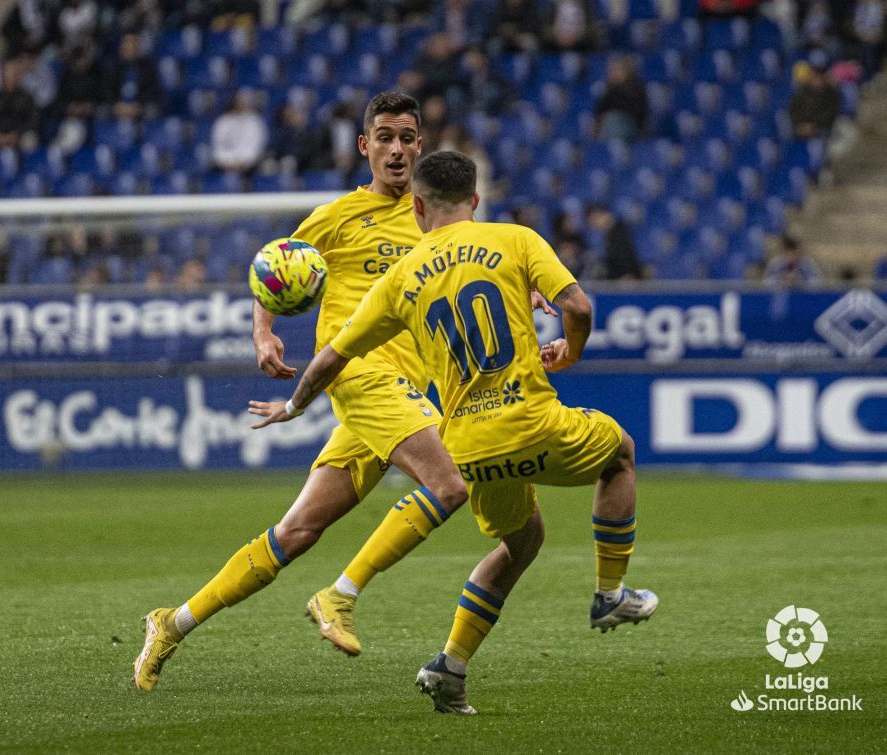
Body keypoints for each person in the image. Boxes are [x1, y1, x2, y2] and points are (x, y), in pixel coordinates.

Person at [249, 150, 657, 714]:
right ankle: (610, 594)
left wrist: (294, 407)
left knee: (521, 541)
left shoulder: (400, 277)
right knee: (621, 454)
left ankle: (450, 667)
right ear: (476, 200)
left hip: (469, 449)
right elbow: (578, 306)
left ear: (417, 206)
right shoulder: (515, 239)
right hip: (533, 422)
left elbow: (330, 359)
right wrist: (570, 351)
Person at [134, 92, 493, 691]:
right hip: (359, 377)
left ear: (421, 147)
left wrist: (527, 290)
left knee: (296, 533)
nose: (396, 149)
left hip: (405, 392)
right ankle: (340, 595)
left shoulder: (435, 217)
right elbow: (271, 268)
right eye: (385, 138)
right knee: (449, 484)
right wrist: (264, 332)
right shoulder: (337, 217)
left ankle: (172, 622)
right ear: (364, 146)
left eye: (407, 138)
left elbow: (480, 267)